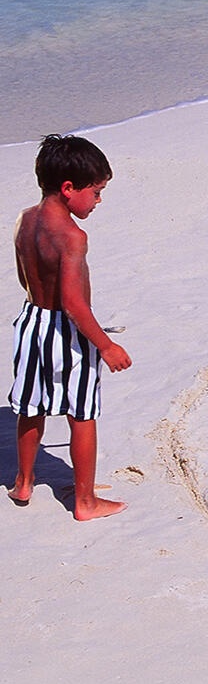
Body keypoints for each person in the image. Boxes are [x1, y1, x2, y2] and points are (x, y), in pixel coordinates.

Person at [8, 134, 132, 520]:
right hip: (65, 333)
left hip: (32, 323)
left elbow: (24, 277)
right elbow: (74, 304)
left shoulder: (26, 219)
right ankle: (85, 501)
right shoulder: (73, 237)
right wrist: (105, 345)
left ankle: (23, 482)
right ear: (68, 188)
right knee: (82, 413)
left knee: (31, 407)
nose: (98, 201)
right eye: (95, 192)